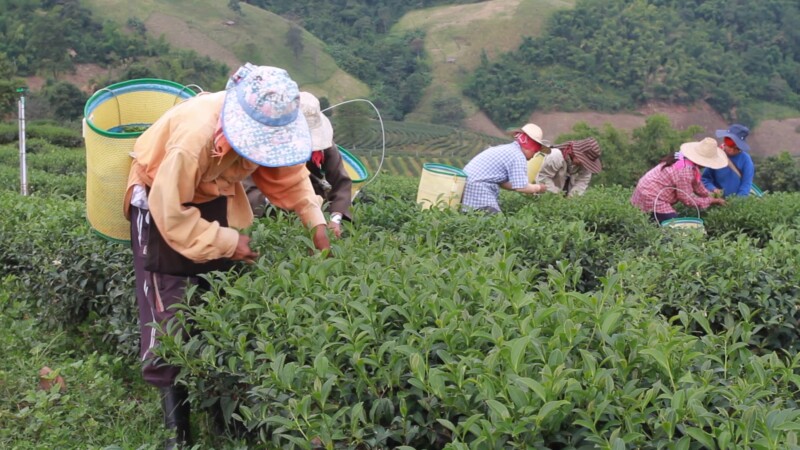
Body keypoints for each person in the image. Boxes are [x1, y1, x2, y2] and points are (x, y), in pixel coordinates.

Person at [123, 65, 330, 448]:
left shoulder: (261, 125)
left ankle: (215, 407)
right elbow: (169, 210)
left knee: (214, 296)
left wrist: (315, 220)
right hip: (158, 202)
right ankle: (177, 435)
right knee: (169, 310)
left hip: (211, 194)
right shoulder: (193, 138)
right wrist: (227, 242)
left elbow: (290, 175)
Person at [244, 91, 353, 238]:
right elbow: (247, 186)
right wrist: (278, 202)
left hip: (314, 203)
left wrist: (335, 219)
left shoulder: (325, 146)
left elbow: (341, 183)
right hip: (272, 204)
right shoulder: (264, 144)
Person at [630, 137, 727, 223]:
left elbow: (697, 185)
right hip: (651, 196)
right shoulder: (685, 171)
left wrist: (710, 194)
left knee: (654, 222)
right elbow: (687, 199)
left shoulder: (686, 160)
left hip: (646, 189)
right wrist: (712, 201)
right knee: (674, 227)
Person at [461, 123, 550, 214]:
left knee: (476, 218)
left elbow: (504, 183)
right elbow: (521, 187)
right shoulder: (518, 156)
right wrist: (538, 188)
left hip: (467, 184)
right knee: (494, 221)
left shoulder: (509, 149)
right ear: (530, 146)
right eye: (535, 151)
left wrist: (529, 188)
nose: (534, 155)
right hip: (478, 188)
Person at [701, 123, 755, 197]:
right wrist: (713, 189)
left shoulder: (746, 160)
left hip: (736, 203)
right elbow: (705, 179)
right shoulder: (717, 155)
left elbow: (746, 185)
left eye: (735, 148)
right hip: (716, 201)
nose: (730, 150)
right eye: (728, 146)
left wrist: (736, 203)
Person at [536, 137, 602, 197]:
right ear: (576, 154)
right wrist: (557, 196)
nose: (584, 163)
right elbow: (542, 178)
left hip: (562, 196)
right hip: (543, 194)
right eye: (584, 160)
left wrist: (571, 199)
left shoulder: (585, 166)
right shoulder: (556, 156)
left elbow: (582, 182)